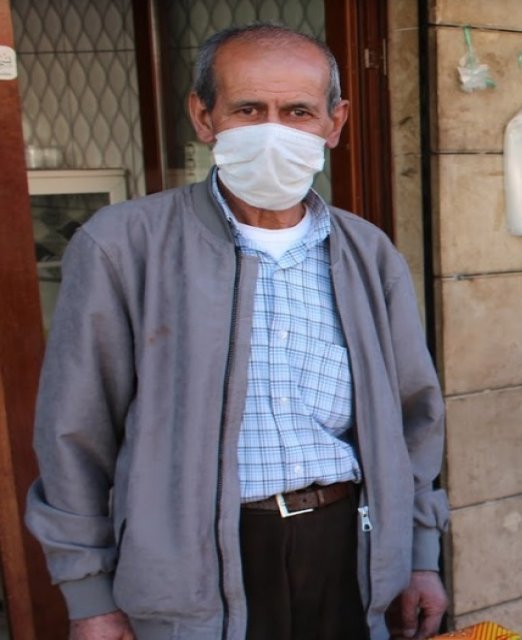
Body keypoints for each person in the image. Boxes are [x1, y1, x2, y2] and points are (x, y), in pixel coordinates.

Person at [24, 23, 449, 640]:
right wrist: (89, 595)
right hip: (189, 566)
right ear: (204, 117)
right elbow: (75, 434)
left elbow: (416, 420)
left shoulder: (367, 253)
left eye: (298, 111)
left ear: (335, 123)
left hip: (346, 549)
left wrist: (418, 556)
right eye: (249, 109)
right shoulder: (124, 245)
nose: (274, 130)